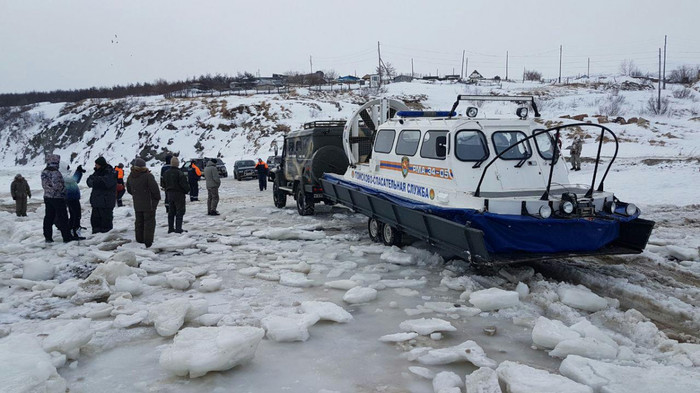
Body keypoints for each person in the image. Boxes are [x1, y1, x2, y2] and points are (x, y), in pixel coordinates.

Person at [126, 158, 161, 247]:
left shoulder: (131, 175)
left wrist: (137, 195)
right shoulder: (148, 176)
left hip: (137, 203)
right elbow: (155, 190)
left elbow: (129, 189)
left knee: (139, 222)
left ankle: (139, 240)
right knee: (149, 223)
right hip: (148, 204)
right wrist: (156, 199)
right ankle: (148, 242)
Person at [41, 154, 74, 243]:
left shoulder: (44, 171)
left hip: (47, 197)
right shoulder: (55, 172)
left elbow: (45, 185)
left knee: (49, 217)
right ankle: (66, 237)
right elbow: (57, 186)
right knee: (63, 217)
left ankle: (48, 237)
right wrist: (64, 190)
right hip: (57, 197)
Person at [86, 156, 117, 234]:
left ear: (101, 164)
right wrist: (97, 180)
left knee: (106, 222)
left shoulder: (110, 172)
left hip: (106, 202)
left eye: (96, 164)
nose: (95, 166)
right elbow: (89, 181)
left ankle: (105, 237)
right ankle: (96, 236)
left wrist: (95, 180)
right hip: (97, 202)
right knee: (95, 221)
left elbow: (105, 183)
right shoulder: (97, 172)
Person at [163, 156, 190, 233]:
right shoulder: (179, 173)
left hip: (169, 194)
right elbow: (184, 184)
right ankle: (178, 228)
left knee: (171, 211)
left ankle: (170, 228)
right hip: (179, 194)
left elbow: (163, 183)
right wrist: (187, 190)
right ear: (177, 164)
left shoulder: (166, 173)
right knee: (180, 211)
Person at [64, 164, 87, 239]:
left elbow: (75, 181)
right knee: (76, 215)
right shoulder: (64, 175)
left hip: (71, 197)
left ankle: (71, 229)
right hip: (71, 197)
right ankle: (75, 232)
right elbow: (74, 179)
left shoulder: (65, 175)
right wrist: (78, 171)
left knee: (74, 214)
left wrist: (79, 172)